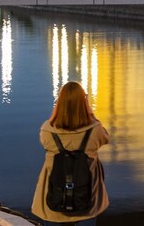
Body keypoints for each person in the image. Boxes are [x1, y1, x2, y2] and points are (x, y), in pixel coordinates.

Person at [32, 81, 110, 225]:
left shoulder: (47, 131)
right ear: (84, 102)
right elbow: (106, 138)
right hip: (88, 199)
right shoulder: (95, 130)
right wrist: (91, 115)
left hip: (53, 198)